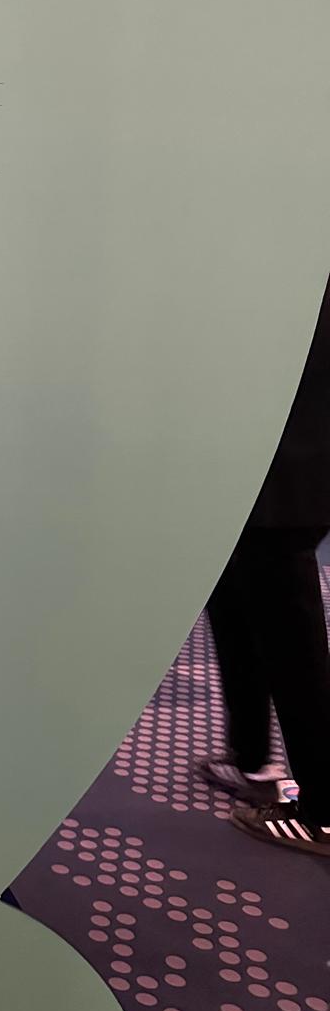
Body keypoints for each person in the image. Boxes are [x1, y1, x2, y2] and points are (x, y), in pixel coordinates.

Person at [199, 274, 330, 855]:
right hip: (256, 454)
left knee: (292, 638)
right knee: (232, 595)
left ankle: (323, 810)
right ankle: (251, 757)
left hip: (291, 462)